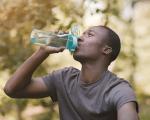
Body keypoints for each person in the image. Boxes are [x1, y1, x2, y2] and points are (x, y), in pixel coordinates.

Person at [4, 25, 139, 120]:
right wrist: (42, 52)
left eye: (89, 34)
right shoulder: (64, 78)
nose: (79, 38)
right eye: (82, 33)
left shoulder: (117, 89)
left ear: (106, 50)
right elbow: (11, 89)